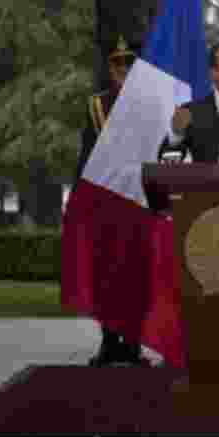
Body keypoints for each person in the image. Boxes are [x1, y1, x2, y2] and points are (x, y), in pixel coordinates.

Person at [76, 35, 150, 368]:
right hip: (105, 201)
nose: (123, 69)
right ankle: (109, 342)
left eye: (129, 64)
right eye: (118, 63)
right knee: (106, 272)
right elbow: (86, 155)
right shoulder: (96, 106)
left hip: (138, 200)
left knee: (136, 274)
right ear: (110, 68)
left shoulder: (149, 107)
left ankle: (133, 344)